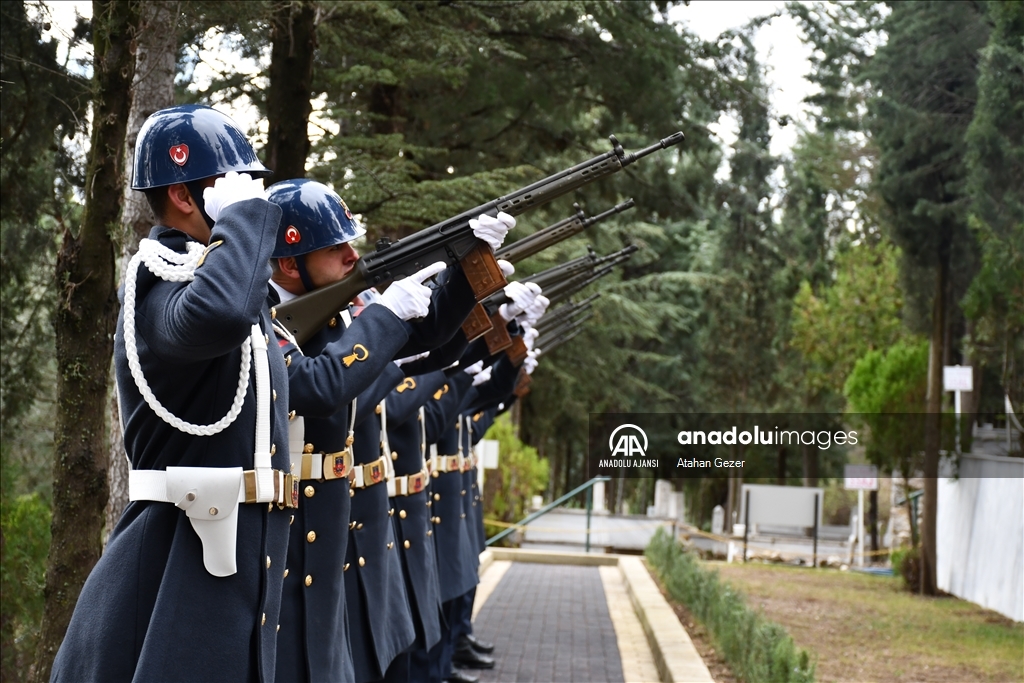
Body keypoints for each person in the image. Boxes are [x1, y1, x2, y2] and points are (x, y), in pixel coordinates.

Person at [52, 104, 294, 683]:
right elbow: (219, 314)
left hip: (234, 550)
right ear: (187, 197)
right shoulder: (160, 280)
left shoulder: (218, 279)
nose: (252, 199)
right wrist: (240, 226)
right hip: (179, 559)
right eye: (233, 186)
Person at [266, 179, 439, 682]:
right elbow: (325, 389)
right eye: (334, 246)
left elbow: (431, 348)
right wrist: (384, 318)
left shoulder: (333, 316)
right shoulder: (261, 318)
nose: (351, 254)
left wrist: (467, 287)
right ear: (288, 263)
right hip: (294, 536)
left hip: (338, 524)